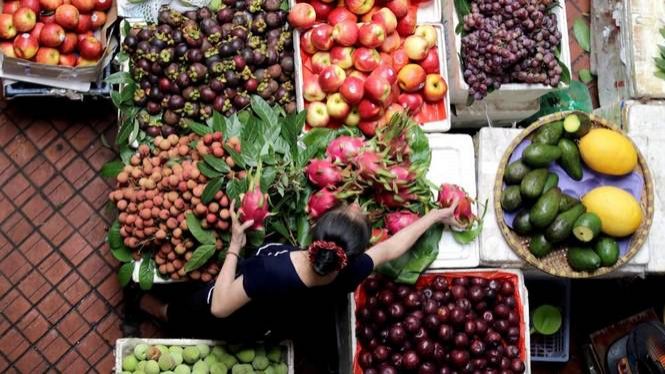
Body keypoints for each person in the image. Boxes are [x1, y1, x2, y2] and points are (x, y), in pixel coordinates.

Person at [137, 198, 461, 342]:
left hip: (235, 311)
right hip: (270, 322)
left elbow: (220, 306)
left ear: (315, 230)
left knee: (187, 310)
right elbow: (391, 247)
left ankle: (154, 309)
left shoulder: (271, 269)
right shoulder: (352, 270)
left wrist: (235, 244)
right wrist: (433, 217)